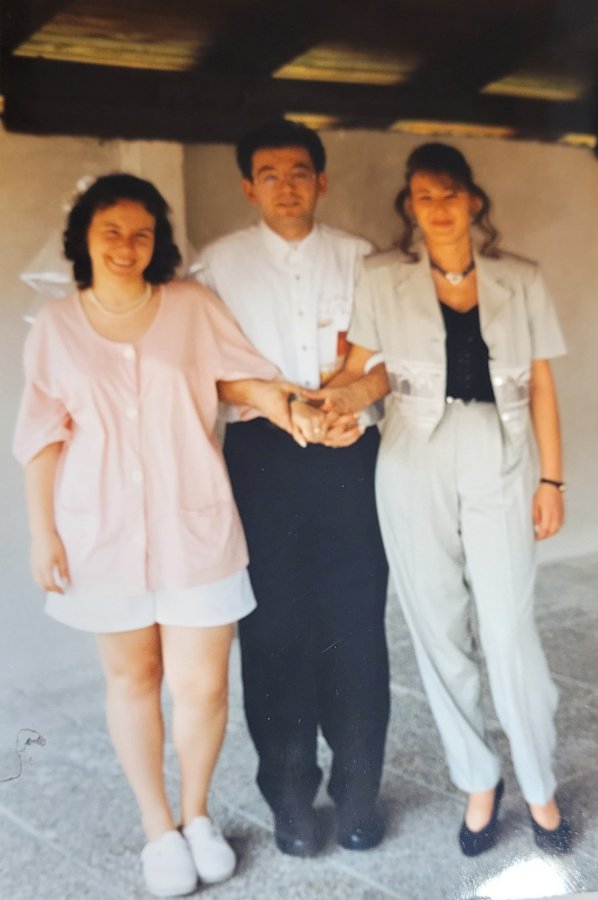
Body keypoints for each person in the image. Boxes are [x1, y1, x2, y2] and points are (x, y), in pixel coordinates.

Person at [12, 173, 313, 897]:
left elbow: (239, 380)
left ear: (160, 242)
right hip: (100, 532)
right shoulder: (56, 325)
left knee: (202, 687)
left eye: (141, 233)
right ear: (83, 238)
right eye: (111, 231)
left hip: (195, 524)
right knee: (133, 679)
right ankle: (158, 828)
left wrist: (289, 404)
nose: (127, 246)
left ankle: (197, 814)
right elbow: (42, 436)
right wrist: (42, 533)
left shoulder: (190, 306)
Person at [309, 142, 573, 856]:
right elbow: (360, 370)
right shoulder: (382, 278)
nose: (438, 207)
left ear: (473, 201)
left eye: (449, 193)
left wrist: (552, 480)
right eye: (423, 197)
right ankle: (478, 781)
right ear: (410, 207)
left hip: (501, 451)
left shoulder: (520, 278)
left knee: (509, 630)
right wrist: (333, 404)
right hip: (411, 454)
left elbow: (543, 386)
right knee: (437, 625)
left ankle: (539, 784)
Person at [191, 119, 390, 856]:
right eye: (269, 174)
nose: (286, 186)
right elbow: (205, 373)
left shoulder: (362, 259)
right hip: (262, 460)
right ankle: (290, 801)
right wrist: (280, 404)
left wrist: (349, 404)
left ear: (322, 181)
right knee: (274, 630)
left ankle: (359, 795)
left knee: (356, 624)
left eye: (300, 172)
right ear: (249, 186)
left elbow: (390, 359)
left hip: (349, 455)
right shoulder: (217, 266)